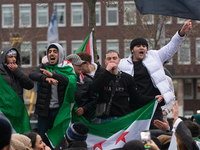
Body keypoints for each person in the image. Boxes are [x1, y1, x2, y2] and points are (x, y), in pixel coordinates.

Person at [118, 20, 192, 129]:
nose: (142, 48)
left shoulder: (155, 56)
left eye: (144, 46)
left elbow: (171, 48)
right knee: (136, 135)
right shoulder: (123, 64)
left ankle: (149, 146)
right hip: (134, 108)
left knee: (151, 137)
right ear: (132, 50)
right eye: (138, 46)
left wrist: (181, 34)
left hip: (153, 104)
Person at [92, 50, 163, 123]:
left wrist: (153, 99)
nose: (112, 61)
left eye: (114, 58)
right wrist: (106, 72)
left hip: (123, 117)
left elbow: (136, 97)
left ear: (119, 60)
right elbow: (94, 89)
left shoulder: (127, 78)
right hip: (106, 118)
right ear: (105, 62)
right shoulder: (101, 76)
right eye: (109, 59)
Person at [29, 43, 73, 146]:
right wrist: (45, 78)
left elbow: (68, 81)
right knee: (43, 140)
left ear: (60, 54)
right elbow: (32, 74)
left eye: (55, 51)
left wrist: (53, 75)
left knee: (60, 141)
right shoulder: (44, 67)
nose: (51, 54)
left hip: (60, 112)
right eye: (49, 52)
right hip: (44, 112)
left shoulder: (66, 69)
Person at [65, 54, 97, 122]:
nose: (80, 66)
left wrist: (84, 109)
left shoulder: (87, 81)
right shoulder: (61, 80)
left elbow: (94, 100)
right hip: (65, 117)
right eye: (77, 64)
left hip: (82, 119)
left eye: (81, 64)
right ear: (69, 66)